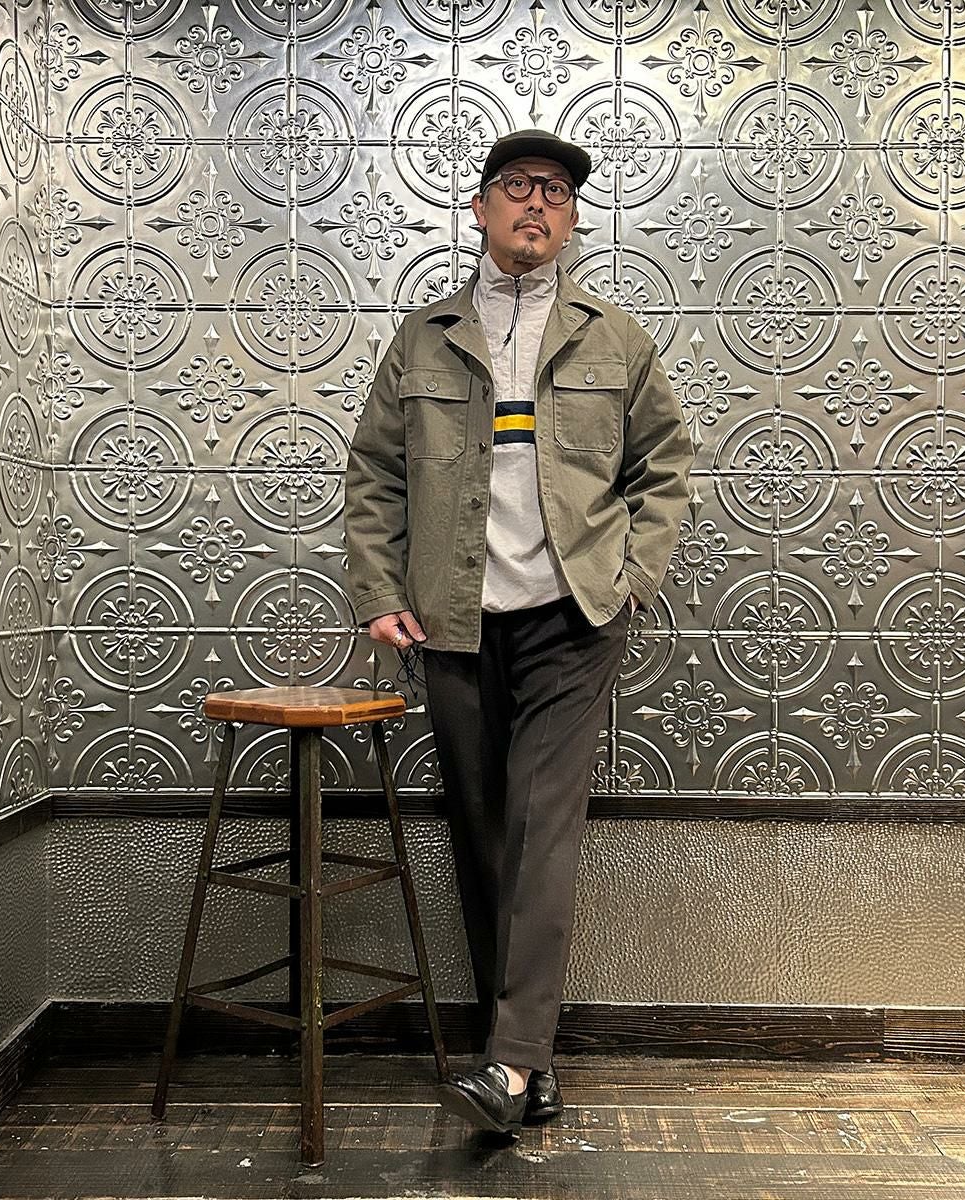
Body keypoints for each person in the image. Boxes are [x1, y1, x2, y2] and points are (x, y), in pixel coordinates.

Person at [343, 128, 693, 1135]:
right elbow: (374, 472)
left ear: (572, 219)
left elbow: (665, 468)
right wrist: (379, 589)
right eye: (517, 186)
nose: (537, 203)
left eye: (556, 191)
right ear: (482, 208)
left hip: (571, 621)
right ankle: (528, 1063)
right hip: (452, 623)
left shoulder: (613, 338)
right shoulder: (424, 337)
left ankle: (506, 1064)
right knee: (483, 832)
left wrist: (630, 581)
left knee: (541, 833)